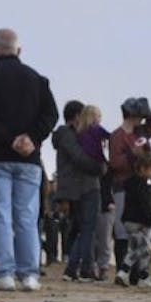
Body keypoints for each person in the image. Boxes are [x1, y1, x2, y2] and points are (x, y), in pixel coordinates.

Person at [0, 28, 57, 292]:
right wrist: (31, 138)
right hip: (29, 159)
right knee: (27, 217)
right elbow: (50, 114)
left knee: (0, 213)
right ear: (19, 50)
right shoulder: (37, 80)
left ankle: (4, 272)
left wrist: (9, 139)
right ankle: (29, 274)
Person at [107, 97, 151, 282]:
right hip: (124, 185)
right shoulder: (117, 136)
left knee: (142, 237)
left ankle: (138, 274)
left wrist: (147, 111)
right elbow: (115, 163)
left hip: (140, 184)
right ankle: (124, 273)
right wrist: (131, 155)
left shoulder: (141, 133)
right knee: (124, 233)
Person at [51, 99, 104, 282]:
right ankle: (82, 269)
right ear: (76, 117)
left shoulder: (68, 135)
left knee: (82, 229)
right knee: (87, 229)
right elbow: (79, 158)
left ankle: (75, 268)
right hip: (84, 186)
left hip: (77, 188)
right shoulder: (69, 135)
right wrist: (101, 166)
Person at [120, 151, 151, 287]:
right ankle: (125, 270)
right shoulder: (142, 185)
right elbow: (144, 204)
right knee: (145, 248)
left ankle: (142, 275)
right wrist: (149, 221)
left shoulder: (129, 183)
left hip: (128, 220)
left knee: (136, 247)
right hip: (140, 222)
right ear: (143, 168)